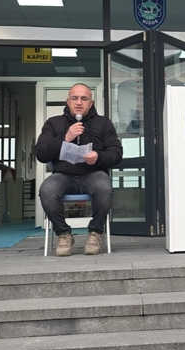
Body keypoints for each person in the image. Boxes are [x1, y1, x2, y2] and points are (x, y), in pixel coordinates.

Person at [36, 84, 122, 256]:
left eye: (84, 99)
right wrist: (65, 137)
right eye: (74, 98)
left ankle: (95, 233)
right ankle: (64, 234)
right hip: (62, 175)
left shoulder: (104, 123)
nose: (79, 102)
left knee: (104, 187)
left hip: (93, 174)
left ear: (91, 103)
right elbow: (41, 153)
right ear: (67, 101)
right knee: (47, 189)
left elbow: (116, 154)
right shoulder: (53, 123)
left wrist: (98, 156)